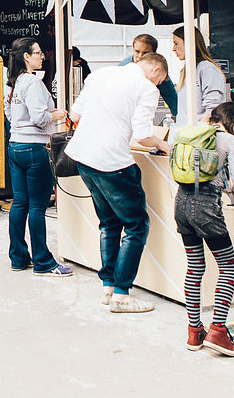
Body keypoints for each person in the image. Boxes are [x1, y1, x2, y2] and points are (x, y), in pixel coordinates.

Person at [65, 53, 172, 313]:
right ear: (156, 69)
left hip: (83, 158)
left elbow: (75, 114)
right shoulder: (145, 87)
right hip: (113, 163)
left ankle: (108, 287)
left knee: (109, 223)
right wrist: (161, 144)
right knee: (136, 226)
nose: (158, 86)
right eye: (161, 81)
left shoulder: (101, 73)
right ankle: (122, 296)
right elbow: (144, 134)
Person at [177, 101, 234, 357]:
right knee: (229, 266)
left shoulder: (193, 133)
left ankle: (195, 332)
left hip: (181, 205)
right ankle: (217, 331)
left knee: (195, 267)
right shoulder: (228, 140)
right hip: (206, 209)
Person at [5, 37, 72, 276]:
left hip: (15, 145)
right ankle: (43, 260)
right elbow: (39, 117)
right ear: (26, 57)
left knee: (20, 202)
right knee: (37, 205)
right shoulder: (32, 83)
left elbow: (10, 115)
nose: (42, 56)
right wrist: (57, 114)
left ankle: (18, 257)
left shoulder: (12, 83)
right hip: (34, 148)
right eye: (38, 52)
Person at [172, 27, 228, 124]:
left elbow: (213, 108)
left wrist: (199, 132)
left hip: (200, 134)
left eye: (176, 43)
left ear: (189, 43)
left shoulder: (207, 69)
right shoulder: (185, 71)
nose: (173, 49)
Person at [120, 35, 179, 119]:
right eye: (137, 51)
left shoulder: (158, 71)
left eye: (145, 53)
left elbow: (172, 98)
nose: (140, 56)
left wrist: (179, 119)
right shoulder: (122, 68)